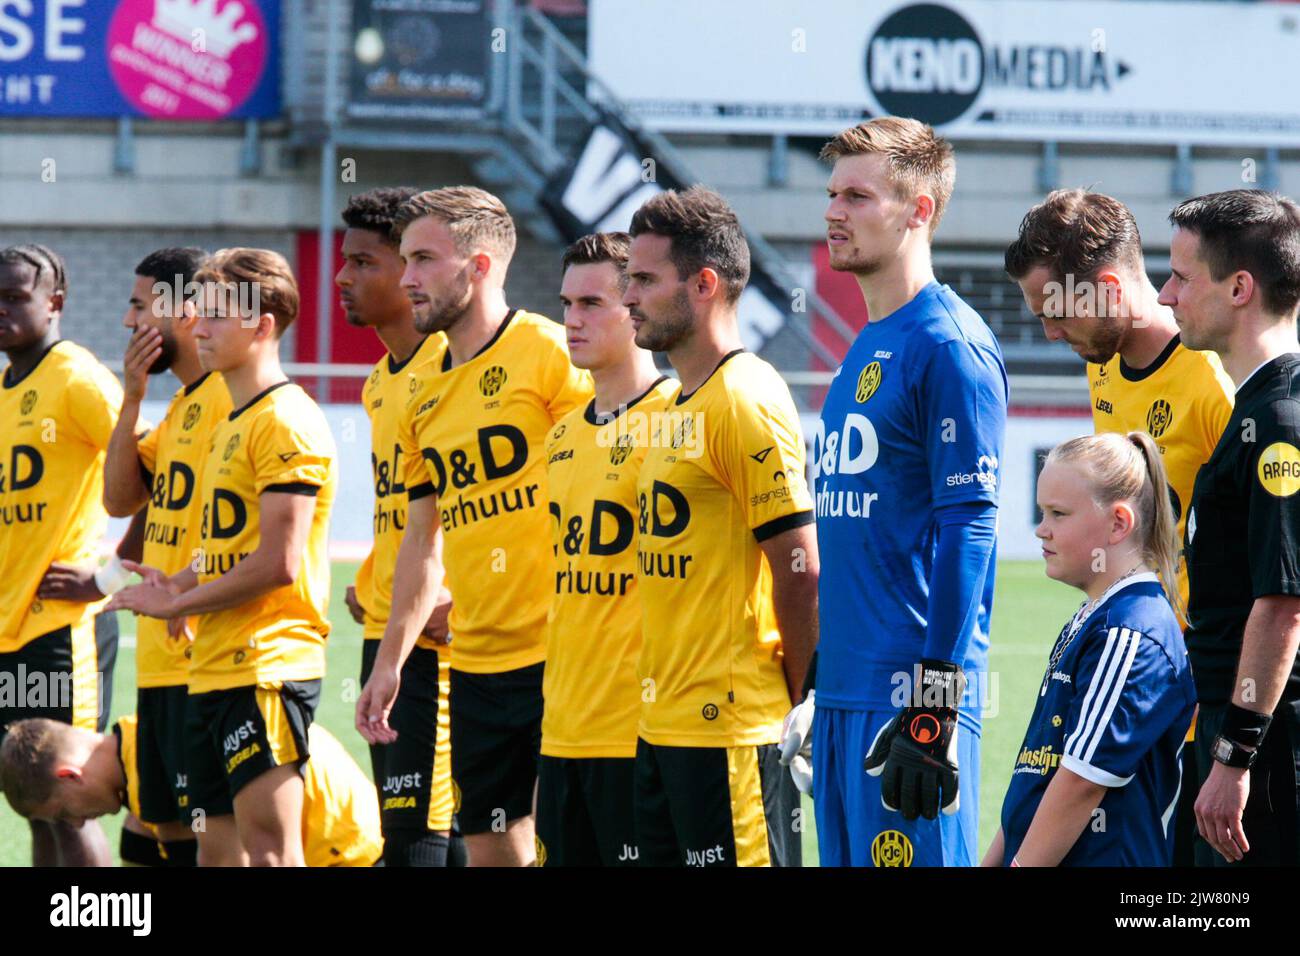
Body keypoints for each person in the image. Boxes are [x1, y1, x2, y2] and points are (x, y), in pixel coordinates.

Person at [356, 187, 592, 867]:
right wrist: (389, 662)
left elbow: (610, 485)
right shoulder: (423, 394)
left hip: (565, 657)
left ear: (480, 266)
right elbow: (420, 544)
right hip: (477, 665)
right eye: (403, 261)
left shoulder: (552, 356)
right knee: (491, 848)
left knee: (567, 845)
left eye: (423, 259)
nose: (406, 278)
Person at [1005, 189, 1235, 864]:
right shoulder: (1102, 363)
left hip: (1205, 699)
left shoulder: (1213, 382)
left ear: (1106, 288)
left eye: (1056, 312)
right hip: (1139, 687)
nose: (1050, 331)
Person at [808, 118, 1007, 867]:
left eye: (857, 195)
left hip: (909, 705)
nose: (833, 211)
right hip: (843, 700)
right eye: (832, 193)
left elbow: (971, 527)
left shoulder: (948, 345)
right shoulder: (865, 343)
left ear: (919, 209)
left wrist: (934, 705)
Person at [109, 248, 338, 867]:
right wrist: (178, 580)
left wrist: (179, 599)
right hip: (213, 665)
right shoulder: (231, 420)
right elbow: (223, 550)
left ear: (262, 326)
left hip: (266, 664)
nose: (197, 328)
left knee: (268, 854)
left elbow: (278, 563)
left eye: (213, 316)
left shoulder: (286, 419)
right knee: (217, 854)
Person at [625, 186, 817, 867]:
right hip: (664, 728)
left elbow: (800, 567)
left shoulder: (743, 397)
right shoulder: (680, 401)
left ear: (703, 285)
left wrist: (799, 698)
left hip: (730, 732)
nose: (628, 298)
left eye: (645, 279)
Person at [1158, 189, 1300, 866]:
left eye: (1182, 277)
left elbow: (1281, 607)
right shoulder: (1257, 410)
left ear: (1240, 287)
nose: (1164, 295)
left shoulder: (1279, 424)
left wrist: (1234, 758)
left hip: (1264, 754)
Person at [984, 432, 1196, 866]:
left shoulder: (1132, 632)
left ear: (1119, 523)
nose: (1041, 529)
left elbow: (1082, 782)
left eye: (1058, 514)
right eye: (1042, 512)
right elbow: (1037, 772)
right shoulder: (1093, 617)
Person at [536, 232, 675, 866]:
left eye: (592, 302)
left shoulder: (681, 417)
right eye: (566, 302)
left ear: (637, 304)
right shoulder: (562, 434)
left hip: (642, 733)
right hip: (563, 731)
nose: (571, 319)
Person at [336, 187, 462, 867]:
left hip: (445, 636)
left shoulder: (457, 368)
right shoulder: (381, 380)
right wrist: (372, 581)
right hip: (387, 629)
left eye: (363, 262)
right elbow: (408, 514)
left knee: (427, 834)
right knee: (416, 831)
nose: (342, 278)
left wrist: (462, 594)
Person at [0, 243, 128, 866]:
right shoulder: (5, 387)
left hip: (62, 629)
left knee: (69, 801)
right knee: (34, 802)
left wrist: (108, 576)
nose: (1, 312)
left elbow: (160, 475)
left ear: (55, 302)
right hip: (10, 629)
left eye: (14, 298)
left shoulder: (76, 376)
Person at [98, 246, 225, 867]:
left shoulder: (237, 402)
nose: (129, 322)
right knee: (170, 837)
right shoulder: (177, 408)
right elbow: (120, 500)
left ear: (186, 310)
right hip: (159, 665)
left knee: (218, 842)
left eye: (139, 305)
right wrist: (131, 397)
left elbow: (253, 533)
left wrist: (190, 585)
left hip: (209, 657)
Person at [0, 715, 382, 867]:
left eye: (65, 813)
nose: (79, 822)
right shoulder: (137, 741)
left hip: (348, 858)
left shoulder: (162, 764)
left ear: (70, 776)